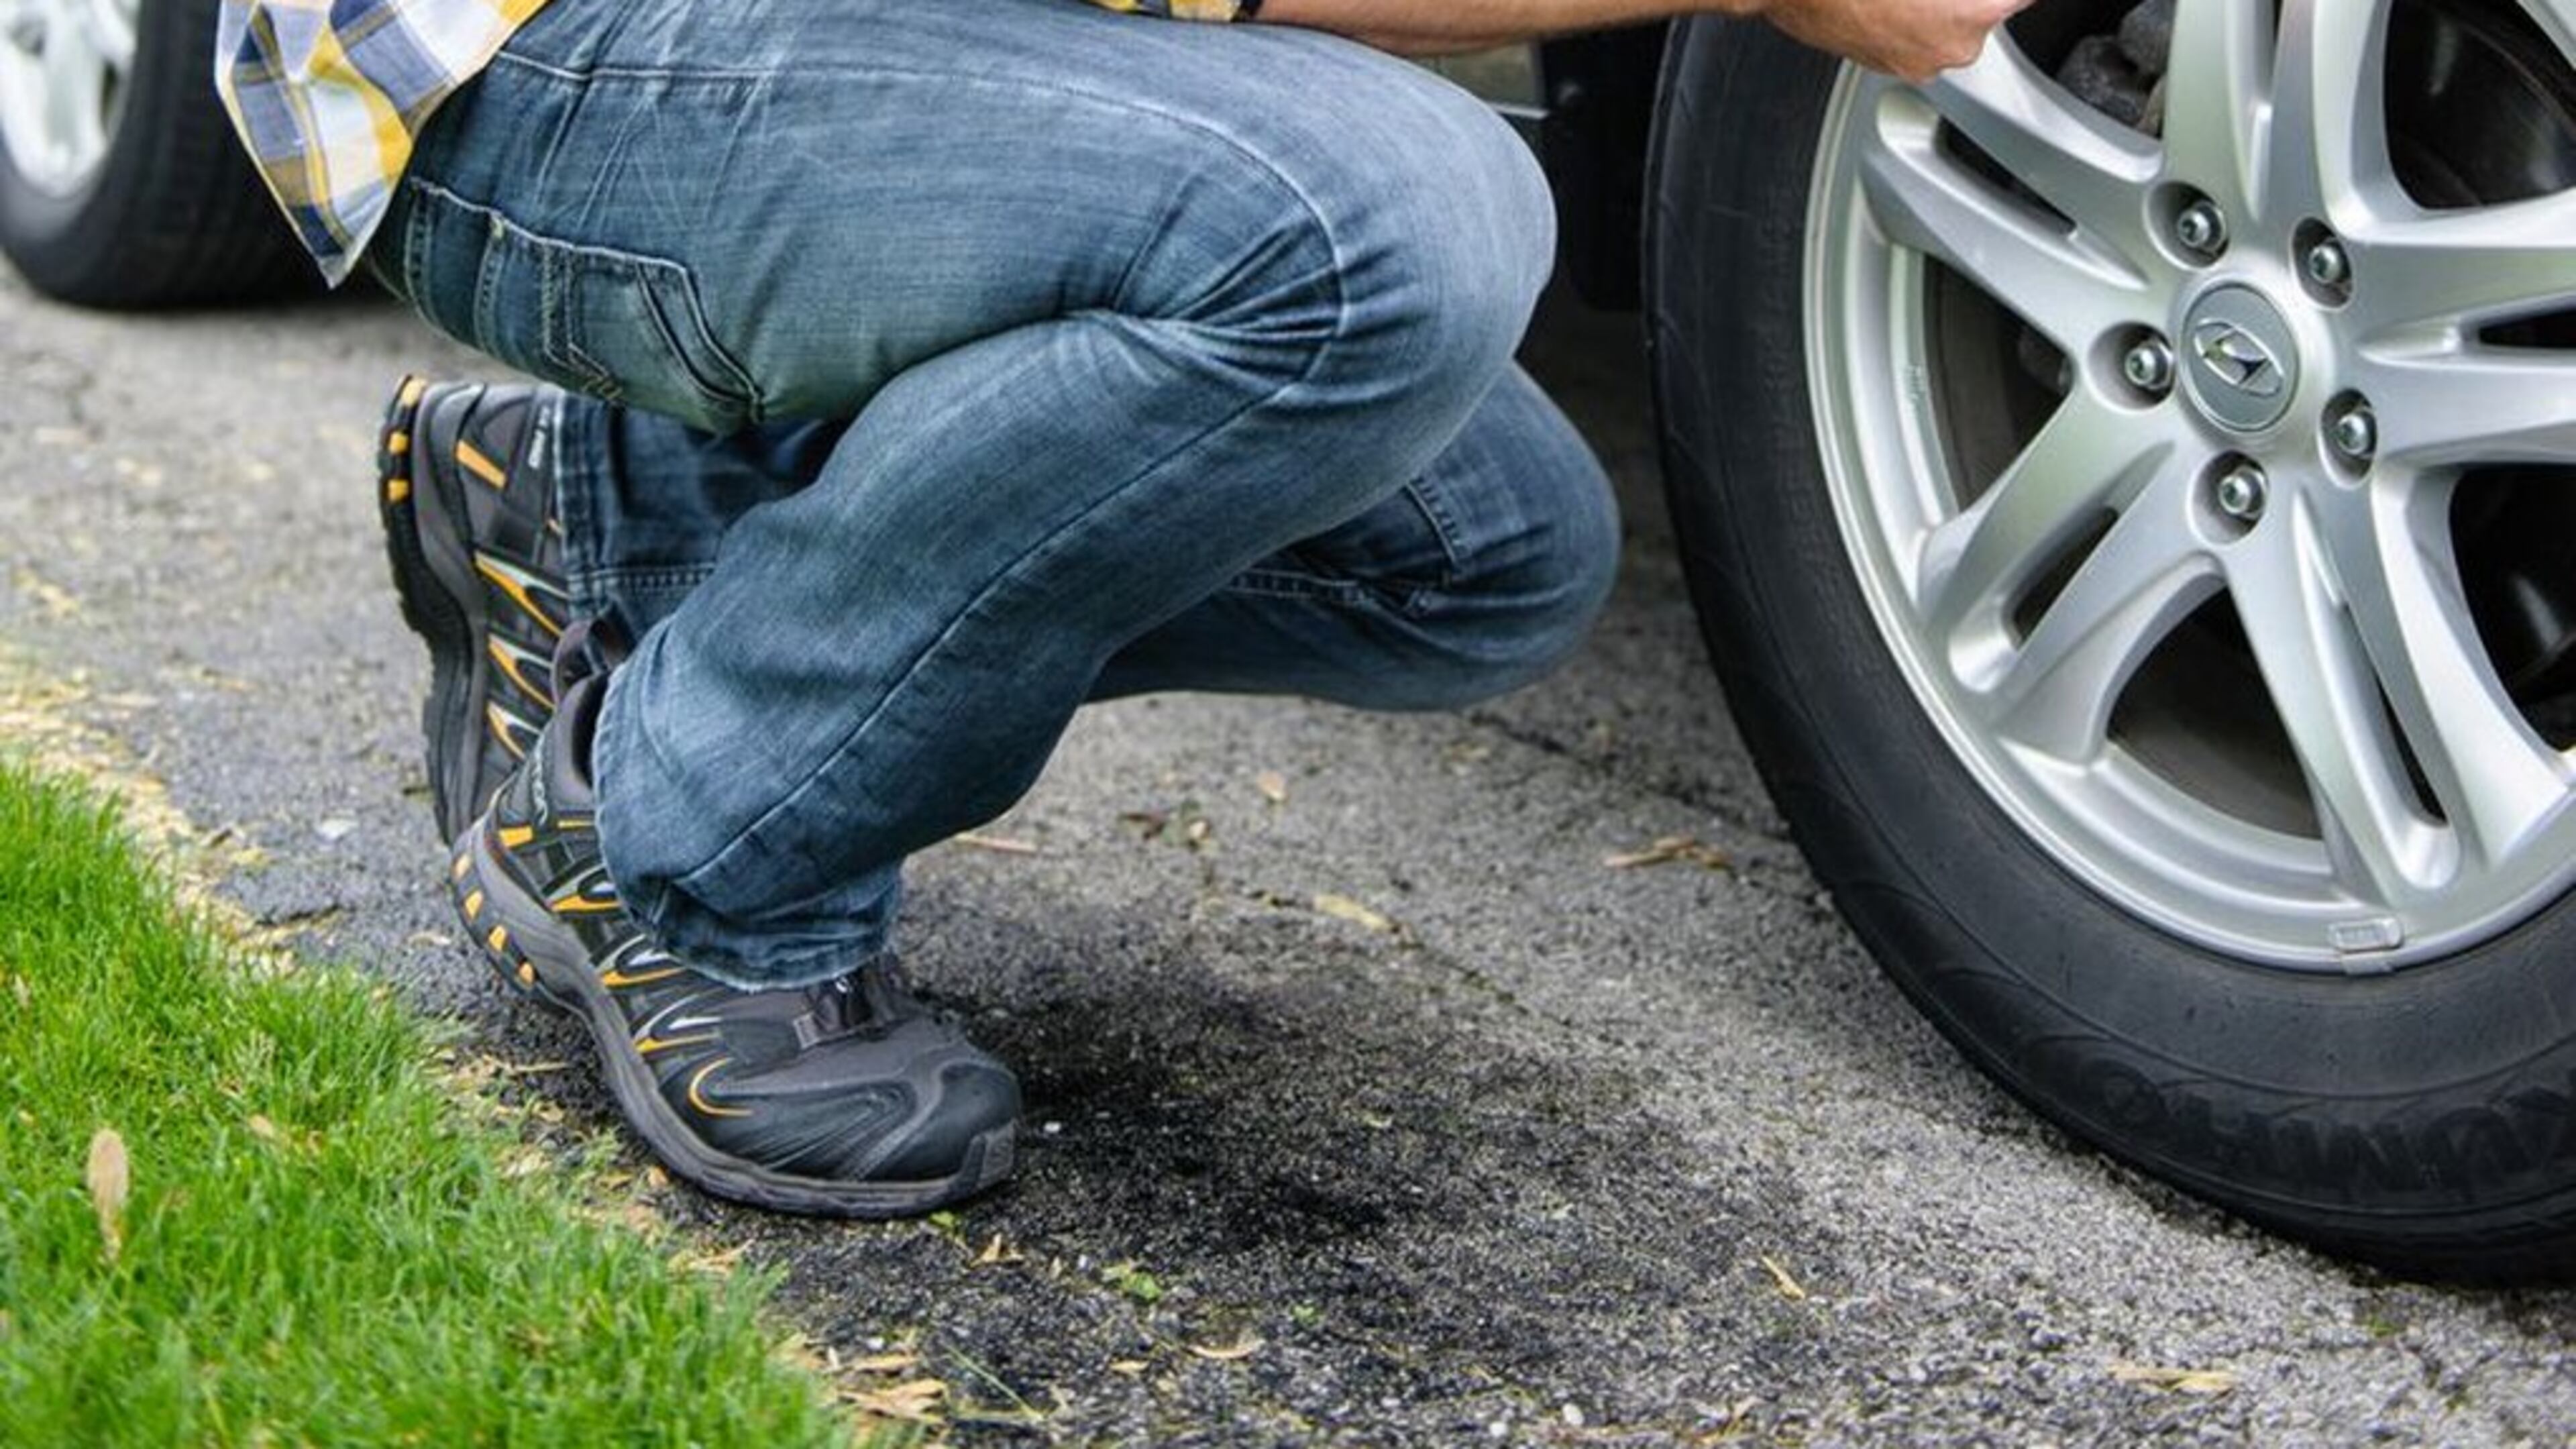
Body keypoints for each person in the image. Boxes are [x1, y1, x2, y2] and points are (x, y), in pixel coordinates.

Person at [217, 0, 2027, 1217]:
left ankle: (609, 522)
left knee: (1491, 547)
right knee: (1388, 230)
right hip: (516, 72)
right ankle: (688, 842)